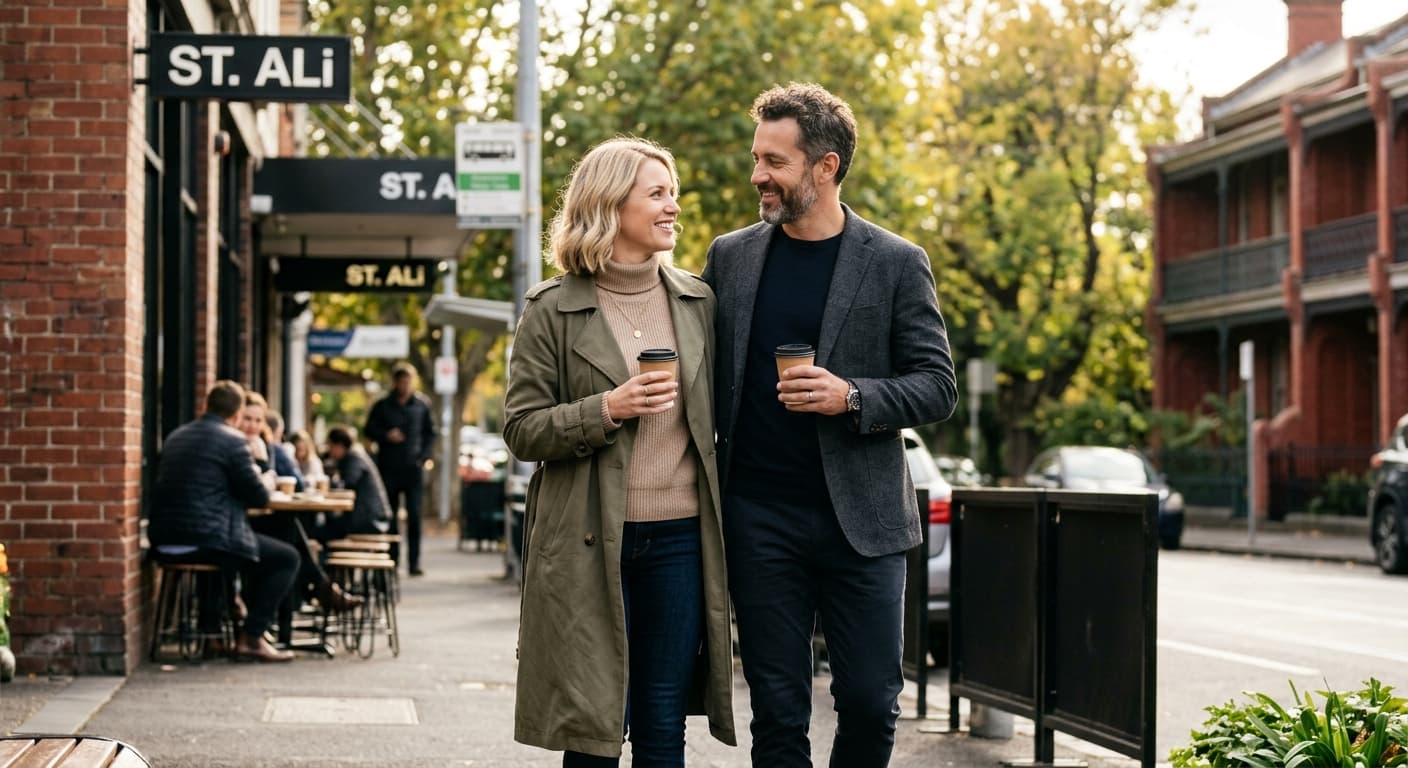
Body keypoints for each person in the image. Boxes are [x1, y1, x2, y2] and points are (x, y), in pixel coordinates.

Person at [701, 83, 958, 767]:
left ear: (826, 167)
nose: (758, 174)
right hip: (760, 518)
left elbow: (938, 388)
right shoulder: (730, 258)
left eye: (775, 162)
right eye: (757, 157)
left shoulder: (897, 263)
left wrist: (851, 396)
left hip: (865, 524)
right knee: (778, 712)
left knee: (872, 705)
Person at [503, 137, 735, 766]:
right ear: (611, 204)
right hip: (585, 537)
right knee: (594, 729)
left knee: (663, 725)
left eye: (673, 195)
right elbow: (521, 429)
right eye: (657, 194)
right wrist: (607, 409)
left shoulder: (698, 302)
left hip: (681, 538)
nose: (672, 209)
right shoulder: (551, 309)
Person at [147, 380, 300, 663]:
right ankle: (252, 637)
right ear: (237, 414)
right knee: (286, 558)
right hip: (207, 541)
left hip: (164, 538)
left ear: (206, 406)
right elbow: (257, 497)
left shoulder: (176, 435)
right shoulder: (233, 441)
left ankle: (214, 632)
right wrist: (266, 476)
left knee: (232, 555)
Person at [364, 363, 435, 576]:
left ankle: (414, 562)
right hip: (389, 468)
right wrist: (387, 435)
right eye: (401, 381)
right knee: (390, 515)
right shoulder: (383, 405)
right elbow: (368, 429)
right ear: (395, 382)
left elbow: (431, 433)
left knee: (414, 515)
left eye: (407, 381)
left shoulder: (422, 405)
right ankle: (392, 559)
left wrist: (423, 457)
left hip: (413, 468)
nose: (404, 385)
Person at [322, 426, 393, 541]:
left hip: (372, 520)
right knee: (327, 529)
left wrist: (332, 480)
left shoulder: (353, 459)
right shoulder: (354, 456)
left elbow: (346, 486)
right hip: (371, 518)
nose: (329, 450)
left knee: (321, 532)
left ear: (339, 445)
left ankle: (324, 559)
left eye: (330, 446)